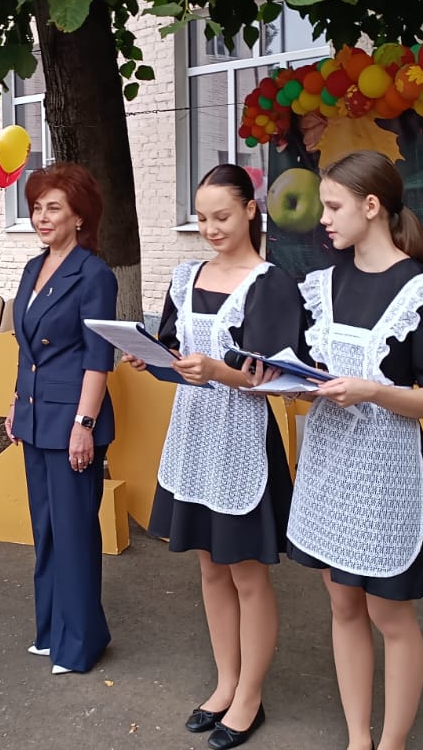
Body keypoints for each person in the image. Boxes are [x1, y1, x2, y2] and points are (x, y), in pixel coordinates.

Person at [254, 150, 423, 750]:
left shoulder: (422, 295)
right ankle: (356, 738)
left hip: (385, 472)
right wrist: (293, 386)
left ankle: (391, 743)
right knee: (342, 604)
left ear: (371, 207)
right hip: (327, 465)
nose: (323, 218)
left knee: (389, 614)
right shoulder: (323, 286)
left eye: (333, 206)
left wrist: (370, 390)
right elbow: (313, 373)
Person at [124, 165, 299, 749]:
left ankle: (250, 695)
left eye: (221, 216)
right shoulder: (187, 276)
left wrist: (220, 370)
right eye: (201, 218)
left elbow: (276, 378)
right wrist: (150, 356)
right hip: (194, 436)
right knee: (209, 565)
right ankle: (225, 683)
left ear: (251, 210)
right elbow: (178, 353)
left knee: (247, 573)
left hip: (243, 439)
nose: (210, 228)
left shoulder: (270, 284)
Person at [5, 162, 116, 677]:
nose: (42, 217)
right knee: (46, 530)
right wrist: (15, 401)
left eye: (54, 208)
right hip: (35, 416)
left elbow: (98, 358)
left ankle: (81, 643)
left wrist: (84, 425)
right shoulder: (33, 268)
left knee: (73, 533)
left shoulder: (94, 274)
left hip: (73, 421)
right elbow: (26, 348)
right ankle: (51, 630)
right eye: (37, 208)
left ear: (79, 216)